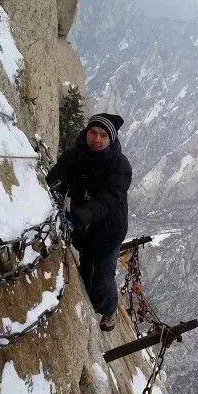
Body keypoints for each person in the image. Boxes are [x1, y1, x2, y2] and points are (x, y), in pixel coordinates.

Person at [47, 113, 132, 331]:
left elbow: (109, 199)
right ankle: (92, 302)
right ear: (86, 132)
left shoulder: (119, 165)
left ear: (111, 140)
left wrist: (77, 217)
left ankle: (109, 309)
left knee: (103, 275)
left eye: (103, 135)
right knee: (87, 272)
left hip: (108, 231)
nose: (97, 139)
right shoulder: (75, 156)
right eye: (93, 133)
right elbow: (58, 178)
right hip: (84, 229)